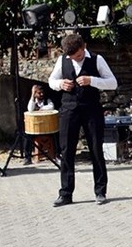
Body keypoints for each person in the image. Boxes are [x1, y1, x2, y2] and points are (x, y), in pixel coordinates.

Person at [48, 33, 118, 207]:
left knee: (96, 149)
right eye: (73, 57)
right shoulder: (62, 60)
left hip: (91, 109)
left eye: (79, 55)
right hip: (68, 109)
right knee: (66, 151)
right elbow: (51, 80)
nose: (76, 59)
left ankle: (100, 191)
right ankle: (65, 193)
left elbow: (113, 83)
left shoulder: (97, 59)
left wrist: (92, 80)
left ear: (84, 46)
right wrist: (60, 84)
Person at [22, 84, 56, 165]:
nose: (41, 95)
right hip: (35, 128)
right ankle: (27, 157)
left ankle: (57, 155)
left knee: (56, 134)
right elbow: (30, 109)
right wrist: (32, 96)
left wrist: (41, 109)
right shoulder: (32, 101)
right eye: (39, 93)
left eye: (42, 93)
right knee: (27, 136)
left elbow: (51, 107)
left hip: (47, 127)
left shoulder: (47, 100)